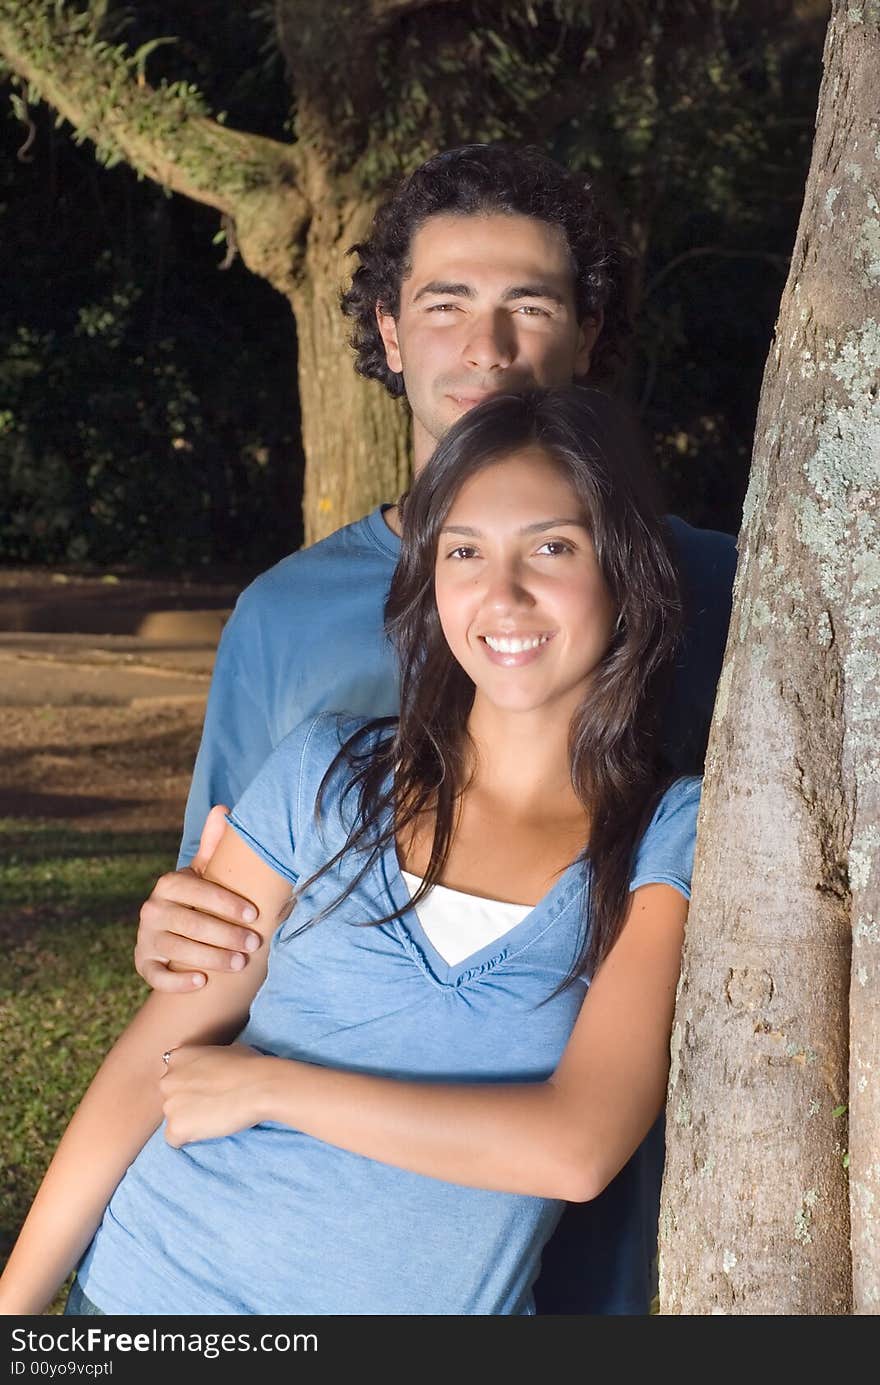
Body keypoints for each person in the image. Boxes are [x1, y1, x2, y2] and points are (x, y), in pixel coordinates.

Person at [135, 143, 737, 1314]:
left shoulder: (722, 591)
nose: (489, 349)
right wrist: (170, 930)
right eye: (445, 305)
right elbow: (211, 919)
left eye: (531, 306)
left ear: (590, 331)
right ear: (389, 332)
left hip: (584, 1232)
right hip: (267, 1242)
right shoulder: (284, 613)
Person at [0, 387, 701, 1317]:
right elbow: (149, 1062)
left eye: (551, 546)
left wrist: (273, 1087)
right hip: (152, 1294)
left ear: (624, 569)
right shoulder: (328, 772)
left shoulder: (667, 831)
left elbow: (573, 1147)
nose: (503, 593)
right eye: (464, 550)